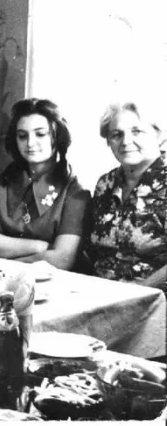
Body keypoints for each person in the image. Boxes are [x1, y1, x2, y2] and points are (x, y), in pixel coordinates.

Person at [0, 98, 91, 271]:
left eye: (40, 134)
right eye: (22, 135)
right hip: (3, 279)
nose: (30, 143)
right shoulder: (5, 181)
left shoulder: (75, 192)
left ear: (57, 136)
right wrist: (41, 247)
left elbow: (62, 259)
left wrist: (4, 259)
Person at [88, 100, 167, 291]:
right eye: (116, 134)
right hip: (101, 293)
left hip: (152, 297)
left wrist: (135, 295)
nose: (125, 141)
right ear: (108, 141)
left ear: (158, 135)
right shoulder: (105, 184)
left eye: (137, 131)